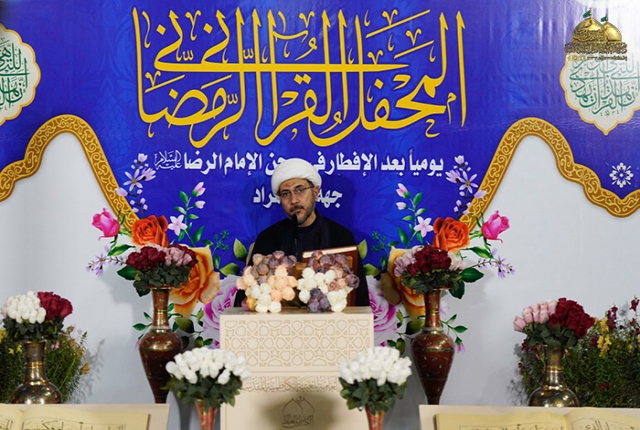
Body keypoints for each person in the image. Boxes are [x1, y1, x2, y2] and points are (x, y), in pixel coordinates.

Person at [234, 157, 370, 307]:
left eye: (300, 190)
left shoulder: (340, 236)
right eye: (286, 194)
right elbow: (245, 302)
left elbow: (360, 300)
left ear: (315, 192)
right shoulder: (268, 238)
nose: (294, 200)